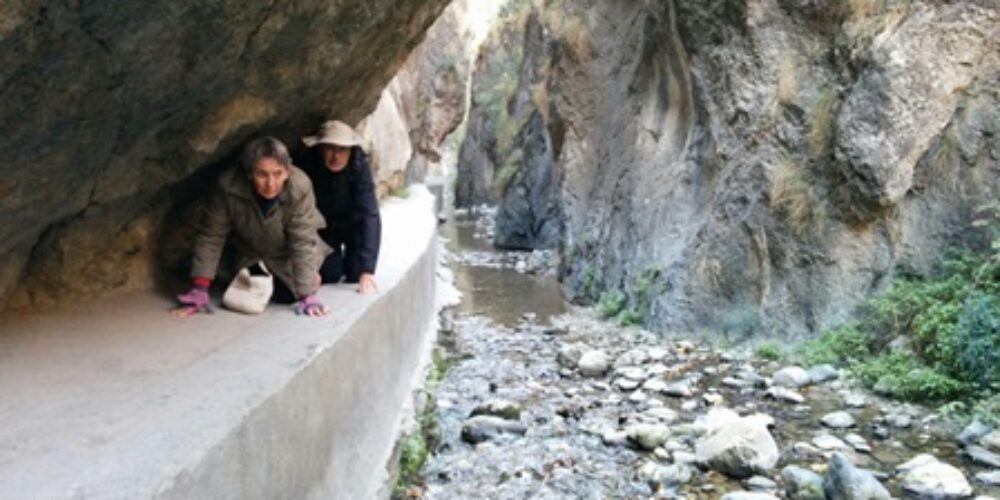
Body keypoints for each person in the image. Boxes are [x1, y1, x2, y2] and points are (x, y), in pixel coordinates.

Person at [174, 136, 333, 317]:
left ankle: (313, 274)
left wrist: (307, 295)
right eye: (262, 174)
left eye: (277, 174)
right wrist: (200, 287)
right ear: (249, 173)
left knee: (292, 293)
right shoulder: (228, 186)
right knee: (245, 295)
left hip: (286, 253)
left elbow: (302, 241)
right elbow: (211, 235)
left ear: (288, 172)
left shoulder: (299, 186)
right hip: (251, 252)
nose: (270, 183)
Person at [299, 120, 381, 294]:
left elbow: (369, 215)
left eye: (342, 149)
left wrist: (367, 270)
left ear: (351, 151)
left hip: (353, 225)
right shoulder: (308, 166)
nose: (336, 157)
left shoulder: (359, 166)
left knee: (356, 273)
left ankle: (353, 263)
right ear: (320, 149)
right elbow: (299, 216)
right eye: (330, 149)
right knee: (330, 274)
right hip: (323, 228)